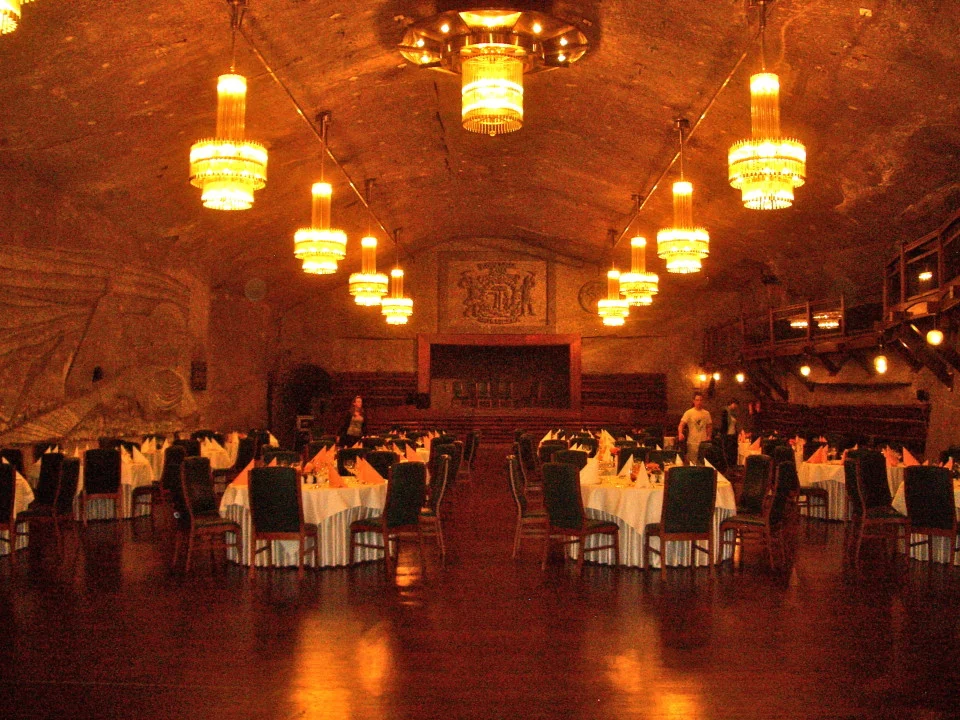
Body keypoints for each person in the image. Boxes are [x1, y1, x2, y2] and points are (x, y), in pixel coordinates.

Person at [678, 392, 712, 466]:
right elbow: (681, 425)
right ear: (693, 401)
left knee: (702, 463)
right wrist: (680, 433)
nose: (699, 402)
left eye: (700, 400)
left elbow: (709, 426)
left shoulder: (706, 413)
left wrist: (709, 435)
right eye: (697, 400)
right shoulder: (689, 413)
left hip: (703, 442)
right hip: (692, 441)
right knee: (692, 463)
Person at [719, 398, 740, 467]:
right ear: (732, 403)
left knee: (733, 453)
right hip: (728, 435)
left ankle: (733, 466)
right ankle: (729, 467)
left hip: (733, 435)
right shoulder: (725, 411)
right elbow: (724, 424)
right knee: (729, 453)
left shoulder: (732, 413)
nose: (736, 406)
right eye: (735, 404)